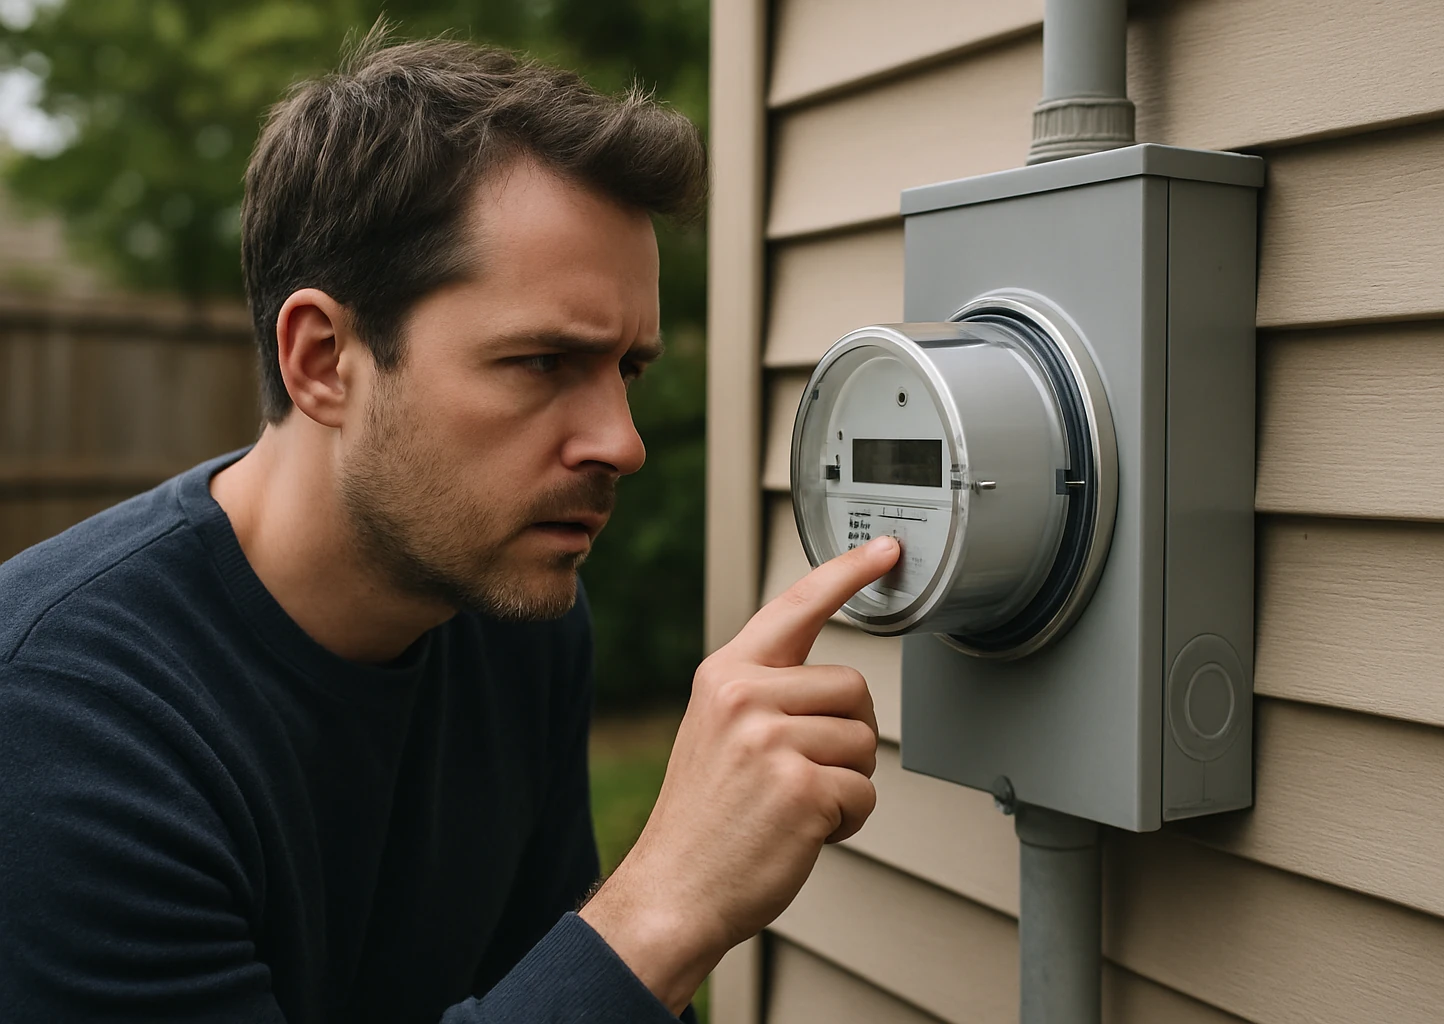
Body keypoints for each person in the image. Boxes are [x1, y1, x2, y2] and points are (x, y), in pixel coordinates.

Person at [0, 31, 900, 1024]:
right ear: (322, 360)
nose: (623, 442)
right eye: (544, 362)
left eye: (628, 370)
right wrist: (664, 908)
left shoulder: (516, 627)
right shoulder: (61, 726)